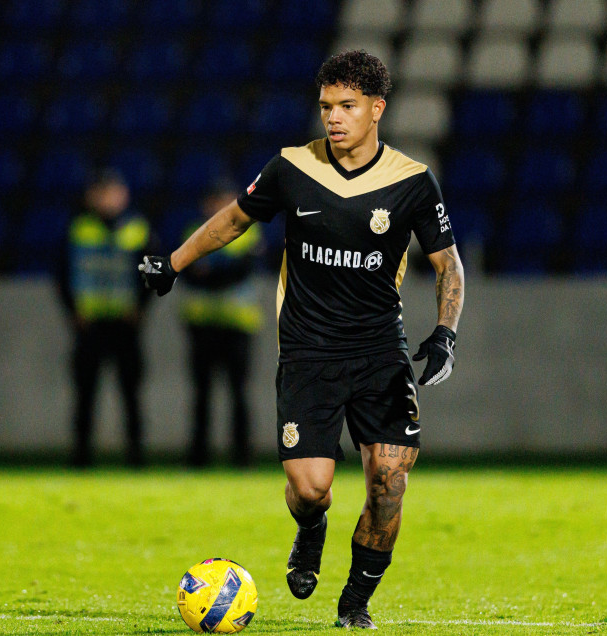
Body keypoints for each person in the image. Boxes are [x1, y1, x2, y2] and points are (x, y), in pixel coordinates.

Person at [140, 50, 465, 629]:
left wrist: (445, 333)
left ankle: (354, 605)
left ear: (376, 109)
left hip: (379, 353)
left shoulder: (413, 182)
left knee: (389, 482)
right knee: (311, 490)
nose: (334, 118)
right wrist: (174, 263)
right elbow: (233, 220)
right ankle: (310, 530)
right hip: (309, 353)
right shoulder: (292, 168)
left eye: (347, 106)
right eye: (325, 107)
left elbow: (448, 265)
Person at [61, 169, 151, 467]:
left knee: (131, 394)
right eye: (102, 193)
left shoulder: (138, 229)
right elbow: (61, 274)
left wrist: (140, 308)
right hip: (91, 324)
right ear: (91, 197)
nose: (108, 199)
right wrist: (72, 311)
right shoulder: (78, 228)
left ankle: (136, 457)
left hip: (125, 326)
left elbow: (153, 272)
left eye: (113, 192)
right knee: (85, 394)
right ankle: (81, 457)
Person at [177, 180, 263, 467]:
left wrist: (208, 272)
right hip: (202, 326)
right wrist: (218, 272)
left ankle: (242, 457)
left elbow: (238, 272)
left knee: (238, 394)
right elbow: (188, 272)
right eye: (214, 200)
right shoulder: (194, 233)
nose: (218, 206)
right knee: (202, 395)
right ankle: (198, 457)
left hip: (237, 326)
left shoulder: (249, 232)